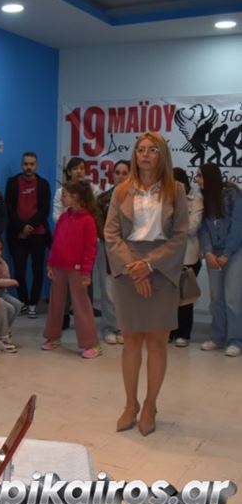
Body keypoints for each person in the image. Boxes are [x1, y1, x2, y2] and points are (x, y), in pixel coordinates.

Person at [105, 132, 188, 436]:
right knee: (131, 340)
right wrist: (133, 267)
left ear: (162, 155)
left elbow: (180, 235)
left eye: (152, 150)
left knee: (156, 341)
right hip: (128, 266)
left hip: (162, 268)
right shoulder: (121, 191)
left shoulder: (176, 190)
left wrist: (149, 265)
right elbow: (111, 233)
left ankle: (150, 405)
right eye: (141, 149)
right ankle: (131, 404)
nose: (145, 154)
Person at [42, 181, 101, 359]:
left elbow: (90, 249)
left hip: (77, 270)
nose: (63, 197)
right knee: (56, 304)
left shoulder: (88, 221)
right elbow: (56, 243)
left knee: (81, 306)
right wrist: (50, 263)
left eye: (66, 195)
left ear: (76, 197)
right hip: (59, 267)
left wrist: (86, 272)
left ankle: (92, 343)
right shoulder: (63, 217)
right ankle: (53, 337)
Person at [196, 163, 242, 356]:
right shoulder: (203, 199)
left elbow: (238, 225)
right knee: (216, 298)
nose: (197, 180)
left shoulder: (232, 195)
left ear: (210, 177)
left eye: (200, 176)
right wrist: (208, 252)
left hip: (235, 251)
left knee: (232, 298)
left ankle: (235, 340)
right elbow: (203, 229)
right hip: (213, 253)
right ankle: (217, 337)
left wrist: (227, 253)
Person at [5, 152, 52, 318]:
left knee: (37, 271)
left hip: (39, 234)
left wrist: (30, 226)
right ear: (21, 165)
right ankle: (23, 302)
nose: (28, 167)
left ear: (36, 165)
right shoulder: (12, 183)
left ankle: (33, 303)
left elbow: (45, 210)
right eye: (25, 164)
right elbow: (9, 208)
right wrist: (22, 227)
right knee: (19, 270)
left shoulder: (43, 184)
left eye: (32, 164)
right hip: (17, 234)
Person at [169, 167, 204, 348]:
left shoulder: (196, 200)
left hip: (189, 255)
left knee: (185, 297)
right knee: (168, 296)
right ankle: (170, 331)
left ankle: (183, 333)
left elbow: (192, 228)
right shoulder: (165, 199)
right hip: (169, 255)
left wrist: (173, 225)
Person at [96, 160, 130, 345]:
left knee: (127, 292)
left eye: (125, 173)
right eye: (118, 172)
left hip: (130, 249)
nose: (121, 176)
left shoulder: (138, 198)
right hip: (107, 248)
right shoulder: (102, 199)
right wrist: (113, 240)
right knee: (109, 291)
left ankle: (124, 328)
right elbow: (99, 224)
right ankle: (109, 327)